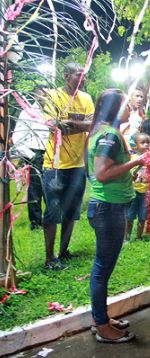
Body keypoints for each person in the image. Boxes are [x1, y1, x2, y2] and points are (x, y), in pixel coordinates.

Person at [86, 88, 143, 343]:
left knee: (103, 267)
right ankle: (102, 326)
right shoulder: (109, 135)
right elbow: (101, 173)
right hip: (107, 208)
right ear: (117, 109)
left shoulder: (106, 132)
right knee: (102, 268)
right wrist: (136, 162)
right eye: (127, 105)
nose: (131, 107)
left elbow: (111, 172)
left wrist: (130, 172)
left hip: (109, 206)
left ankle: (102, 317)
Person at [42, 62, 94, 270]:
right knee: (53, 210)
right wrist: (75, 126)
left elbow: (92, 124)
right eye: (77, 74)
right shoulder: (53, 96)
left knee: (72, 211)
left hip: (77, 165)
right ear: (66, 75)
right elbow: (52, 124)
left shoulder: (87, 98)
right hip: (54, 164)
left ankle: (63, 252)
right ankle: (49, 258)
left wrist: (70, 125)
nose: (82, 78)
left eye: (83, 74)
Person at [11, 86, 50, 230]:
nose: (46, 97)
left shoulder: (50, 112)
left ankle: (51, 218)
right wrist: (32, 156)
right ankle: (36, 223)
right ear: (36, 96)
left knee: (50, 187)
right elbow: (17, 138)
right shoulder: (27, 113)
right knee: (35, 189)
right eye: (43, 94)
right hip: (35, 154)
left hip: (50, 153)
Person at [125, 133, 150, 242]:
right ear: (135, 146)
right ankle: (127, 237)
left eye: (148, 143)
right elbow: (127, 174)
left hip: (145, 193)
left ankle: (139, 237)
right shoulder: (132, 158)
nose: (146, 145)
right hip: (133, 192)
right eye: (142, 143)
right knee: (129, 217)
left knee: (142, 217)